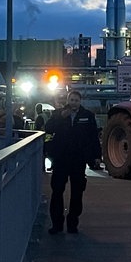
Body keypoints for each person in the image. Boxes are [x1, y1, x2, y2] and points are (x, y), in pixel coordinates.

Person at [43, 92, 101, 235]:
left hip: (78, 160)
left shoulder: (87, 116)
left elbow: (93, 137)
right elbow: (48, 128)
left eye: (76, 100)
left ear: (80, 101)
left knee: (77, 193)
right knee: (57, 191)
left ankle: (72, 223)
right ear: (67, 100)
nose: (73, 102)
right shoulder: (58, 114)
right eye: (71, 100)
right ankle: (57, 224)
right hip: (61, 159)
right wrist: (60, 118)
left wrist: (97, 156)